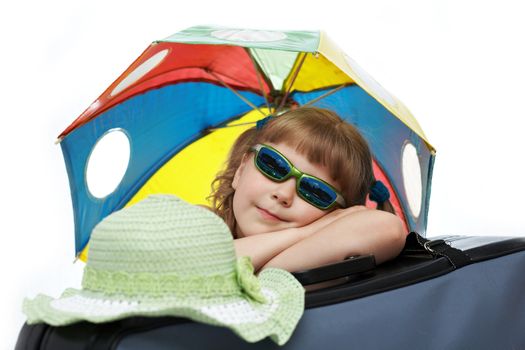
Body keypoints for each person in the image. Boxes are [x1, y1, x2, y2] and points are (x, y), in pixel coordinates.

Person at [209, 107, 407, 273]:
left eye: (315, 191)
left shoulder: (326, 252)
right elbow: (195, 264)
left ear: (339, 215)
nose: (284, 195)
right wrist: (305, 232)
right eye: (274, 165)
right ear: (241, 170)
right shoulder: (199, 222)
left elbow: (390, 229)